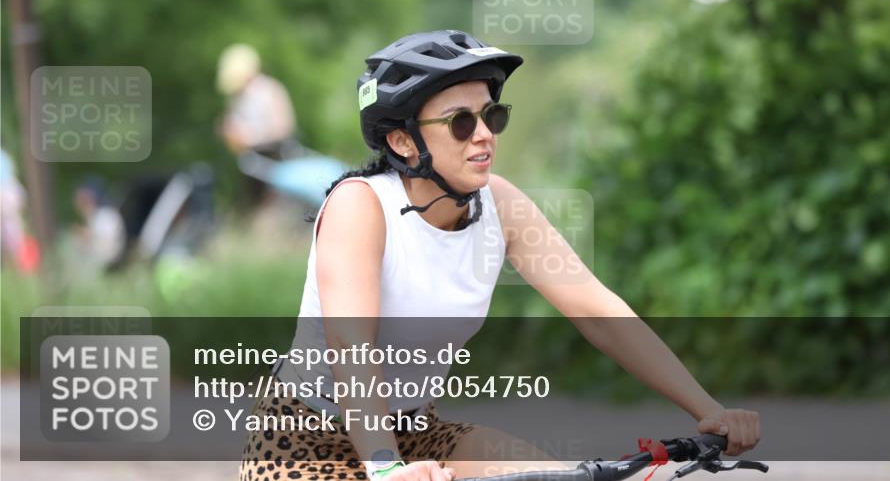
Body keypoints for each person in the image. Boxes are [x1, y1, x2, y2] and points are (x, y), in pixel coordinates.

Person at [238, 30, 760, 481]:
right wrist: (384, 465)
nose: (484, 134)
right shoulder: (360, 206)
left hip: (419, 434)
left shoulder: (501, 205)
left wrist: (709, 411)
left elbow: (596, 310)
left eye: (492, 116)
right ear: (401, 140)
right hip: (306, 441)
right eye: (460, 123)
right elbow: (351, 346)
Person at [216, 43, 299, 204]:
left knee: (270, 207)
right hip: (253, 163)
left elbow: (283, 128)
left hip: (276, 159)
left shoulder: (269, 91)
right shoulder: (236, 97)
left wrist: (250, 137)